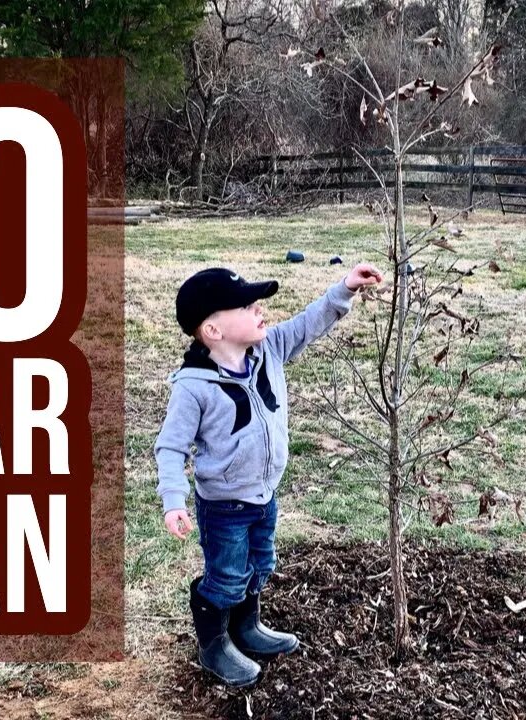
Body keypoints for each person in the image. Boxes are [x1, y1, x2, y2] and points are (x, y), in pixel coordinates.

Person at [154, 264, 383, 687]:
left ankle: (246, 627)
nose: (260, 309)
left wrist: (345, 288)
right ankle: (213, 646)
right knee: (226, 577)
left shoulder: (268, 350)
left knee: (260, 564)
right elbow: (170, 447)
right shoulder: (193, 386)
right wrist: (173, 499)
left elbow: (308, 324)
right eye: (246, 305)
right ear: (213, 330)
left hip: (264, 495)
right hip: (224, 505)